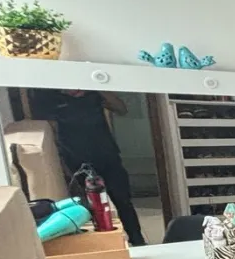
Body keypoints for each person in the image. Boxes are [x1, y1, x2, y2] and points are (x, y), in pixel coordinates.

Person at [28, 88, 147, 245]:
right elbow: (50, 135)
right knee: (89, 206)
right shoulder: (49, 98)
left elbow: (121, 109)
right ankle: (102, 244)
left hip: (108, 155)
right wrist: (62, 166)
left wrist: (96, 87)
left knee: (122, 200)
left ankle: (138, 241)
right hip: (76, 160)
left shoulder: (93, 93)